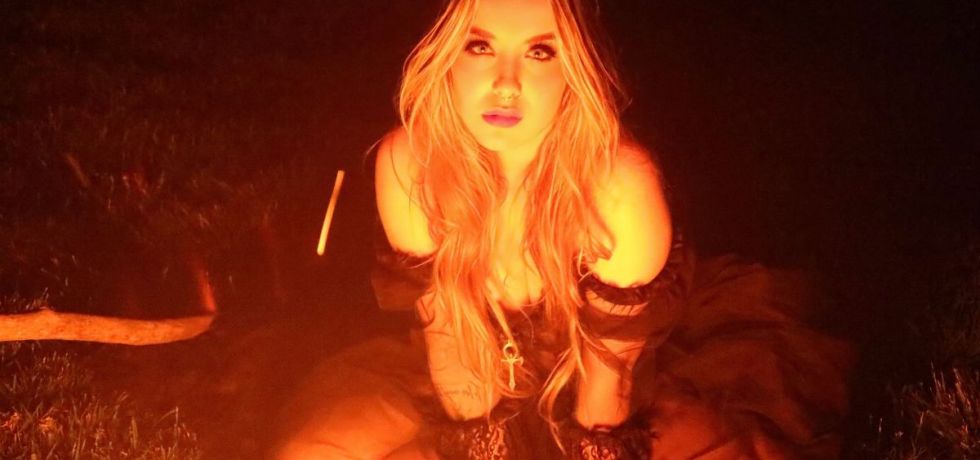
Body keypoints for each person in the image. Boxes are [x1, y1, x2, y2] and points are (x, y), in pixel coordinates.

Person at [273, 0, 853, 458]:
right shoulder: (410, 163)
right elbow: (449, 341)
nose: (506, 83)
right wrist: (483, 448)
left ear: (574, 65)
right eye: (481, 46)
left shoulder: (617, 184)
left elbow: (608, 389)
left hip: (619, 383)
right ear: (446, 53)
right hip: (471, 370)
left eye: (539, 52)